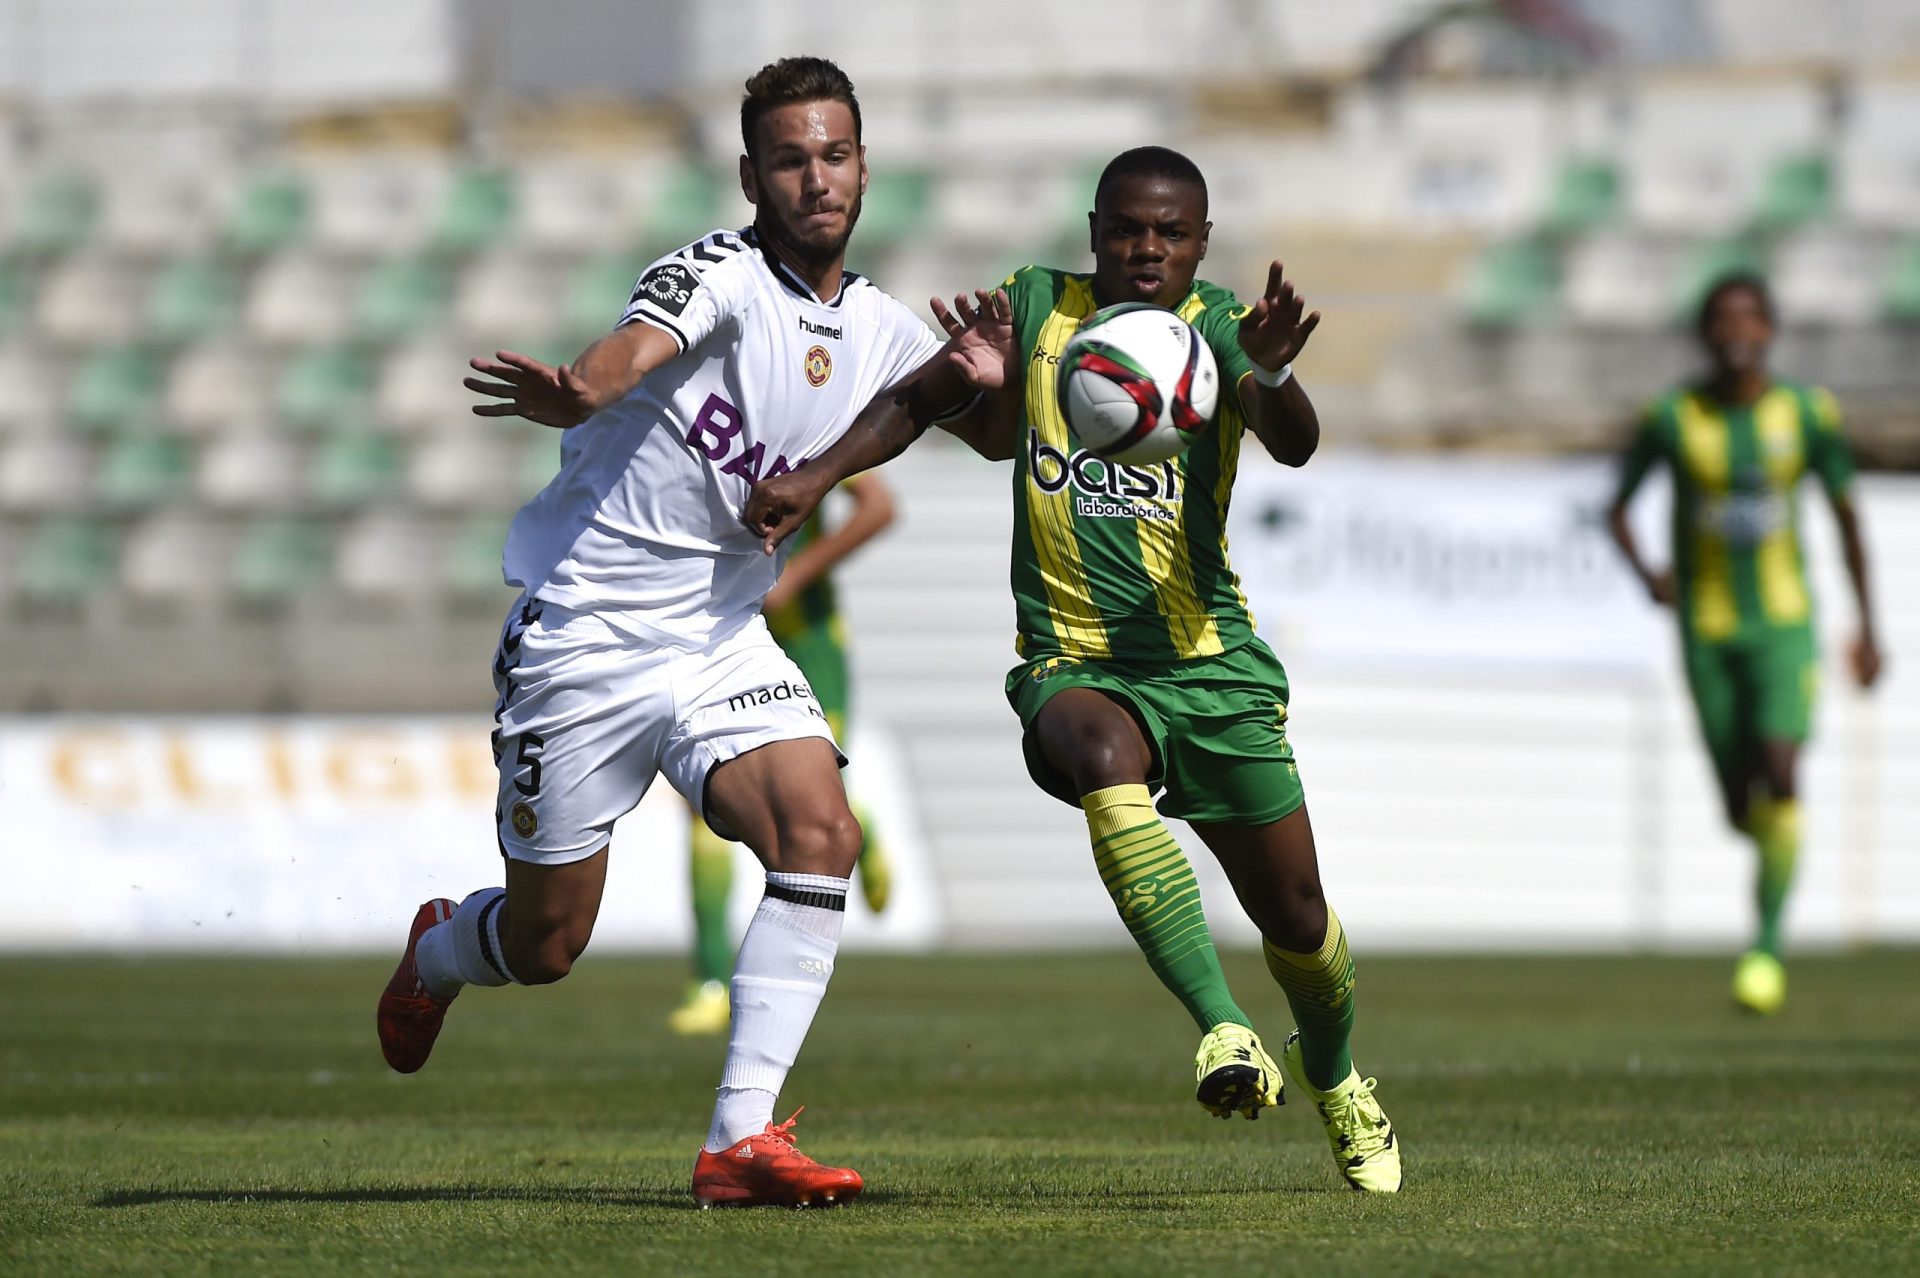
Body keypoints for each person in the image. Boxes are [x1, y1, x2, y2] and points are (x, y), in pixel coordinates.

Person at [373, 56, 992, 1209]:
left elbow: (951, 416)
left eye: (837, 154)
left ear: (865, 168)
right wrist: (582, 388)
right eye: (793, 159)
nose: (818, 178)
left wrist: (985, 379)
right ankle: (443, 951)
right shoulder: (714, 270)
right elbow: (631, 354)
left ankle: (738, 1143)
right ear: (751, 175)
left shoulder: (881, 325)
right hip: (587, 630)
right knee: (551, 943)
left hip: (717, 638)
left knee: (822, 832)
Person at [747, 146, 1402, 1193]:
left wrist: (1272, 373)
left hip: (1210, 665)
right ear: (1095, 230)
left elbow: (1296, 444)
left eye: (1172, 233)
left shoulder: (1224, 327)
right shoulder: (1036, 305)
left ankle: (1335, 1079)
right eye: (1129, 229)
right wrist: (883, 438)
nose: (1148, 249)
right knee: (1100, 756)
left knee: (1299, 920)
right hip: (1073, 658)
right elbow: (961, 417)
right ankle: (1222, 1030)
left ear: (1201, 242)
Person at [1606, 272, 1882, 1015]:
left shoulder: (1807, 414)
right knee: (1739, 802)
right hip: (1708, 630)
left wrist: (1868, 626)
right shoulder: (1671, 417)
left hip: (1784, 628)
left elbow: (1849, 517)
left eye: (1749, 318)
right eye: (1722, 319)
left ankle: (1765, 949)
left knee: (1782, 770)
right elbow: (1617, 509)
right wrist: (1647, 576)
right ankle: (1758, 836)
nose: (1736, 331)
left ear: (1770, 332)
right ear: (1704, 334)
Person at [671, 473, 898, 1037]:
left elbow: (878, 505)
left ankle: (857, 821)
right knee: (701, 816)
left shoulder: (809, 412)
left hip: (807, 644)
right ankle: (710, 982)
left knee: (814, 793)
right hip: (717, 640)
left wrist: (798, 572)